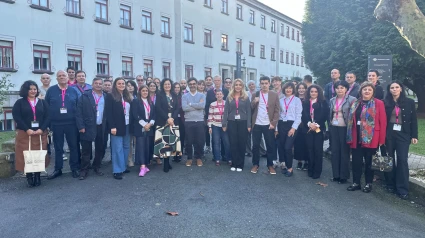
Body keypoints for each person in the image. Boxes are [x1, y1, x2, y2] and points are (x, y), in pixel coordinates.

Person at [346, 82, 387, 193]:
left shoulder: (378, 103)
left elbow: (383, 122)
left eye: (369, 89)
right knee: (356, 162)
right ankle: (356, 183)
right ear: (361, 91)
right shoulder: (356, 102)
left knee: (369, 162)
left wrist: (381, 140)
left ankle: (368, 183)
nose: (367, 91)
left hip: (371, 138)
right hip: (356, 137)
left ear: (373, 91)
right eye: (365, 89)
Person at [384, 81, 418, 200]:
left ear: (401, 89)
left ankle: (402, 188)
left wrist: (414, 135)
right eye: (392, 88)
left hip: (403, 134)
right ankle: (390, 184)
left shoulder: (409, 102)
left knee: (402, 160)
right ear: (389, 90)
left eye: (396, 87)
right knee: (389, 158)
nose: (394, 89)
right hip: (388, 134)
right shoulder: (385, 102)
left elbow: (413, 119)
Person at [12, 80, 50, 187]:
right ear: (26, 90)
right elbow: (17, 117)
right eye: (30, 89)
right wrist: (26, 129)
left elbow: (48, 117)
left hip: (39, 133)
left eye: (35, 89)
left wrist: (42, 129)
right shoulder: (19, 103)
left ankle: (37, 175)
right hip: (25, 133)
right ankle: (29, 175)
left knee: (38, 155)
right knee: (26, 155)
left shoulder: (42, 102)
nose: (33, 91)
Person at [45, 70, 80, 179]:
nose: (62, 77)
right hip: (56, 124)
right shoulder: (51, 90)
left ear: (68, 77)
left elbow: (79, 107)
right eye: (59, 76)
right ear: (56, 79)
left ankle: (74, 168)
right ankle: (58, 169)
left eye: (63, 75)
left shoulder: (74, 91)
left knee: (74, 146)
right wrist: (48, 124)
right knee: (58, 147)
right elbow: (46, 107)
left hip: (72, 123)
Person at [76, 78, 106, 180]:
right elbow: (78, 113)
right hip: (87, 126)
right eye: (96, 83)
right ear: (92, 84)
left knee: (100, 148)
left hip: (101, 126)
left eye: (100, 83)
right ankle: (84, 169)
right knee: (86, 150)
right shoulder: (85, 96)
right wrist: (81, 126)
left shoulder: (106, 96)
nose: (98, 85)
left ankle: (96, 166)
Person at [250, 76, 280, 175]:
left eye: (266, 83)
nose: (264, 85)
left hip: (268, 124)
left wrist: (273, 123)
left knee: (270, 145)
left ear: (269, 84)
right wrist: (255, 101)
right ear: (260, 84)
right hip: (257, 123)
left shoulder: (274, 95)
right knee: (255, 145)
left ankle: (270, 165)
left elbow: (277, 110)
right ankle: (255, 164)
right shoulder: (255, 94)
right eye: (262, 83)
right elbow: (250, 108)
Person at [104, 77, 133, 180]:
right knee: (117, 148)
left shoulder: (127, 96)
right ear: (115, 85)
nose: (121, 85)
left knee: (126, 147)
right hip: (116, 125)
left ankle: (123, 166)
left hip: (127, 124)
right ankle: (117, 170)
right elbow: (109, 113)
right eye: (119, 83)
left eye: (123, 83)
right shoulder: (110, 96)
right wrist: (112, 126)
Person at [329, 81, 357, 184]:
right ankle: (336, 175)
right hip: (334, 128)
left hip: (345, 128)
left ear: (346, 89)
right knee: (335, 151)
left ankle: (343, 176)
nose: (339, 90)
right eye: (337, 88)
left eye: (342, 88)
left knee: (344, 152)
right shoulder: (332, 100)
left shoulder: (352, 100)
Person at [223, 79, 251, 171]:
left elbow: (249, 112)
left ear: (242, 87)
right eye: (236, 85)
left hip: (243, 122)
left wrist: (249, 125)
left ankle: (240, 164)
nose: (238, 86)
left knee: (241, 143)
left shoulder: (246, 97)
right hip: (232, 122)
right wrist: (224, 123)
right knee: (233, 143)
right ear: (233, 86)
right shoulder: (229, 97)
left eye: (240, 85)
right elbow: (226, 111)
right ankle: (234, 163)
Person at [302, 85, 329, 179]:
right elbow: (303, 115)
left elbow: (325, 116)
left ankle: (317, 171)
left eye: (315, 91)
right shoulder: (305, 102)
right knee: (309, 149)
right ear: (309, 92)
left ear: (319, 93)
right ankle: (310, 169)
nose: (313, 93)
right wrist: (309, 124)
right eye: (312, 91)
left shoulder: (323, 102)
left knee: (318, 150)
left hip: (318, 128)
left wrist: (316, 125)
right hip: (308, 128)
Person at [154, 78, 181, 172]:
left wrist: (172, 118)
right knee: (164, 143)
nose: (167, 86)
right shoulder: (159, 95)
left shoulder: (174, 95)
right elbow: (158, 108)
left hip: (173, 121)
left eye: (169, 84)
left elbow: (177, 107)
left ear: (171, 85)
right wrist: (167, 118)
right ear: (162, 85)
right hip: (163, 121)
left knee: (171, 142)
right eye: (165, 84)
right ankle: (165, 164)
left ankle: (168, 161)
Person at [276, 82, 302, 177]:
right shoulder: (281, 100)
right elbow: (277, 115)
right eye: (286, 88)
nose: (288, 90)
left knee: (288, 147)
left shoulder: (297, 100)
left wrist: (293, 128)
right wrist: (276, 128)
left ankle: (290, 168)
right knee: (282, 146)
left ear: (293, 89)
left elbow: (299, 116)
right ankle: (286, 166)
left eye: (290, 88)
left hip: (292, 125)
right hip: (281, 124)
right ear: (284, 89)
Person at [131, 85, 156, 177]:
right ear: (140, 92)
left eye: (146, 91)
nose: (145, 92)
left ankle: (146, 163)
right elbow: (135, 114)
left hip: (149, 126)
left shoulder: (151, 102)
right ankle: (142, 166)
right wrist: (144, 124)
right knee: (141, 146)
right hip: (140, 126)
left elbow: (153, 115)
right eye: (143, 91)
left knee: (148, 145)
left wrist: (150, 123)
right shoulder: (136, 101)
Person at [182, 77, 206, 167]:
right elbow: (184, 108)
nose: (192, 85)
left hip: (199, 120)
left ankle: (198, 157)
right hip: (189, 121)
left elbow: (202, 106)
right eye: (190, 84)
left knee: (199, 141)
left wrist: (191, 104)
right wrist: (197, 106)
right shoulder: (184, 96)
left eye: (194, 84)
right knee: (189, 141)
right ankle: (189, 158)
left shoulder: (202, 95)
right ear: (188, 85)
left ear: (196, 84)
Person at [205, 75, 229, 161]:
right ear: (213, 81)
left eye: (218, 80)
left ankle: (224, 156)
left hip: (224, 120)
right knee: (215, 140)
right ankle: (216, 157)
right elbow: (207, 105)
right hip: (214, 118)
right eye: (215, 80)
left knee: (225, 140)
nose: (217, 82)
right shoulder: (210, 92)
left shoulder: (226, 91)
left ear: (221, 81)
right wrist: (208, 119)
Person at [208, 89, 232, 166]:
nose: (219, 95)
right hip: (215, 125)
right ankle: (217, 159)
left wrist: (227, 125)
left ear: (223, 95)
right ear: (216, 96)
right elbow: (210, 116)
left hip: (225, 126)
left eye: (220, 94)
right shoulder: (212, 104)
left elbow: (229, 115)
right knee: (216, 143)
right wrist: (209, 126)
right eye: (217, 94)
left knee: (227, 143)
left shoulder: (227, 103)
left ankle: (229, 158)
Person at [324, 69, 340, 154]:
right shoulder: (328, 85)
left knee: (339, 128)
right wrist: (329, 105)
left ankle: (338, 146)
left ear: (339, 74)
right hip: (330, 110)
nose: (333, 74)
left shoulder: (342, 84)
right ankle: (330, 146)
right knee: (330, 128)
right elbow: (326, 97)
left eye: (335, 73)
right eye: (332, 73)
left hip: (340, 109)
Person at [294, 82, 309, 170]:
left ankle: (306, 161)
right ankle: (299, 161)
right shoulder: (295, 99)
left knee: (306, 143)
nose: (301, 90)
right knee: (298, 143)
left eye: (303, 88)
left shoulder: (308, 99)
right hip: (297, 124)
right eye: (299, 88)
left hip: (306, 124)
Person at [147, 81, 161, 165]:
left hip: (158, 120)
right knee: (149, 140)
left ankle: (158, 157)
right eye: (151, 85)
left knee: (157, 139)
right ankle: (149, 157)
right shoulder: (145, 95)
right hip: (148, 120)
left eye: (154, 86)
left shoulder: (159, 96)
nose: (152, 87)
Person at [126, 80, 138, 167]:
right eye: (128, 85)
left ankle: (138, 158)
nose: (130, 87)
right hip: (127, 122)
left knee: (137, 141)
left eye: (132, 85)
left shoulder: (137, 96)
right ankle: (130, 160)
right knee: (129, 142)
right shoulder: (124, 97)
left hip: (136, 122)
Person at [174, 82, 184, 162]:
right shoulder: (171, 97)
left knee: (181, 137)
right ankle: (175, 154)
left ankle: (180, 153)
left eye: (178, 87)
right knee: (174, 137)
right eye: (175, 87)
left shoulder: (182, 97)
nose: (177, 89)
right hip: (173, 119)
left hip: (182, 119)